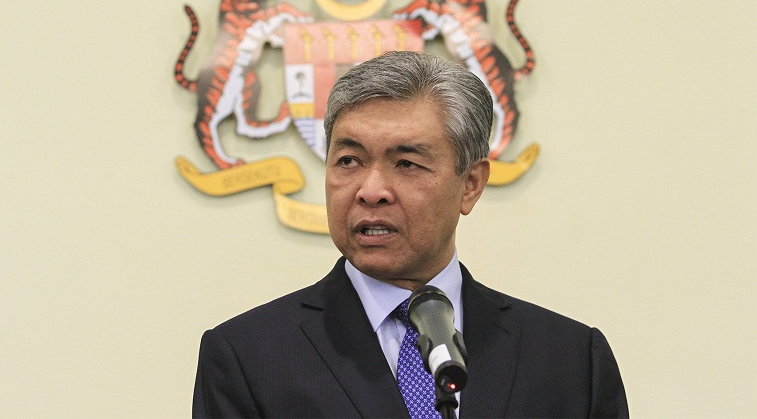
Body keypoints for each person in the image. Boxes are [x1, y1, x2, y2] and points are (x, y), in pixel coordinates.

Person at [192, 51, 628, 418]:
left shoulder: (570, 359)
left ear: (471, 184)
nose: (371, 191)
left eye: (407, 164)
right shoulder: (247, 357)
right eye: (348, 160)